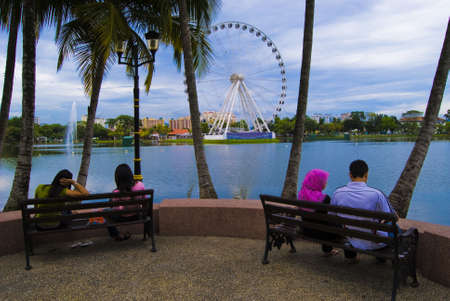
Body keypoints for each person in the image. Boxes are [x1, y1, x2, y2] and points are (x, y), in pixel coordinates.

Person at [331, 159, 396, 263]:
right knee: (396, 229)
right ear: (366, 175)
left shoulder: (337, 193)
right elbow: (390, 217)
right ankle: (382, 257)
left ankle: (351, 256)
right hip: (375, 243)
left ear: (350, 175)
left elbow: (332, 216)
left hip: (351, 239)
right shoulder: (376, 194)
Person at [298, 169, 339, 256]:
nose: (326, 183)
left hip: (306, 230)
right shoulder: (325, 199)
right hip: (323, 234)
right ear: (318, 183)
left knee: (323, 223)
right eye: (324, 181)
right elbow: (330, 217)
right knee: (332, 224)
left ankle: (327, 250)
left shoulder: (301, 195)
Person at [106, 164, 145, 241]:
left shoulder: (116, 192)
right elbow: (144, 201)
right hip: (137, 216)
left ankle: (116, 235)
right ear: (131, 175)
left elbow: (111, 206)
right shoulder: (140, 186)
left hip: (121, 218)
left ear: (117, 179)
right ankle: (148, 233)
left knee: (105, 213)